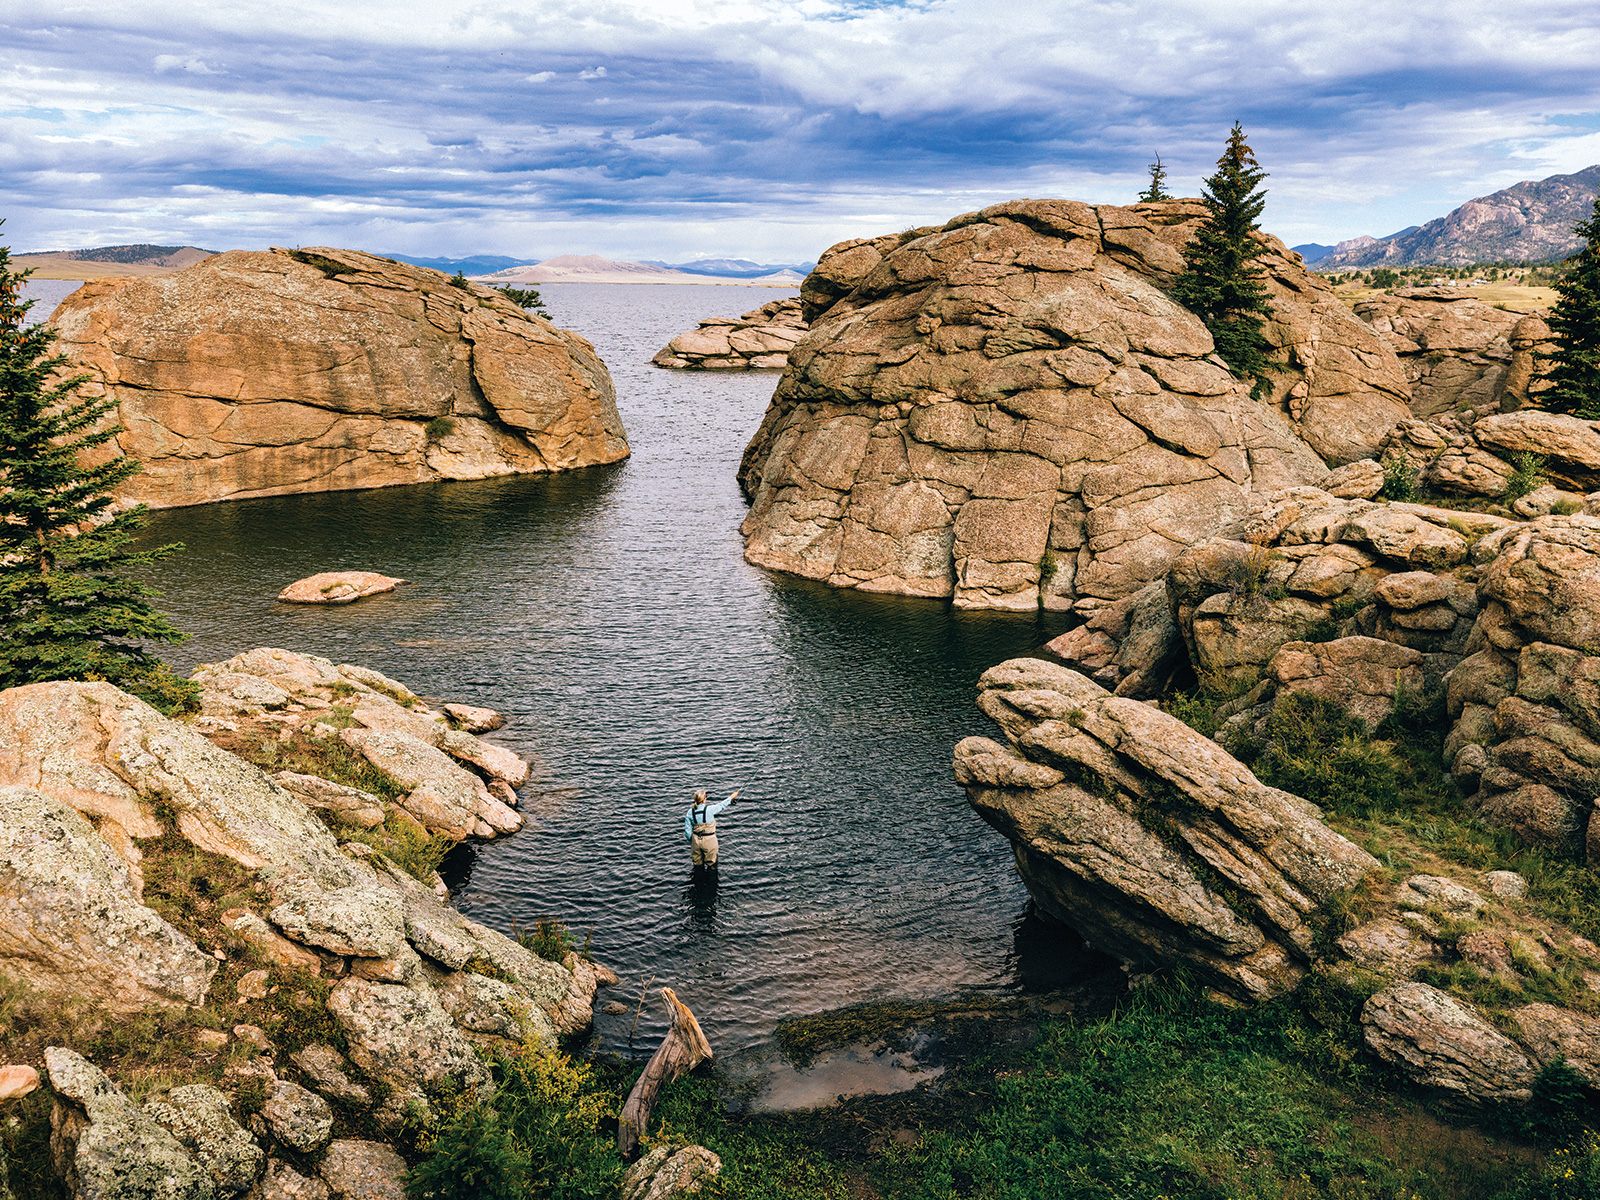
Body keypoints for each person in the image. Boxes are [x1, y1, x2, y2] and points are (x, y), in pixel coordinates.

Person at [684, 788, 738, 869]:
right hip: (709, 840)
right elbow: (721, 805)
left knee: (697, 866)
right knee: (712, 865)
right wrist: (731, 797)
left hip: (695, 841)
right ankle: (711, 881)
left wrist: (694, 841)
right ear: (704, 799)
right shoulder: (710, 809)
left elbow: (687, 833)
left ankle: (698, 881)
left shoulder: (689, 812)